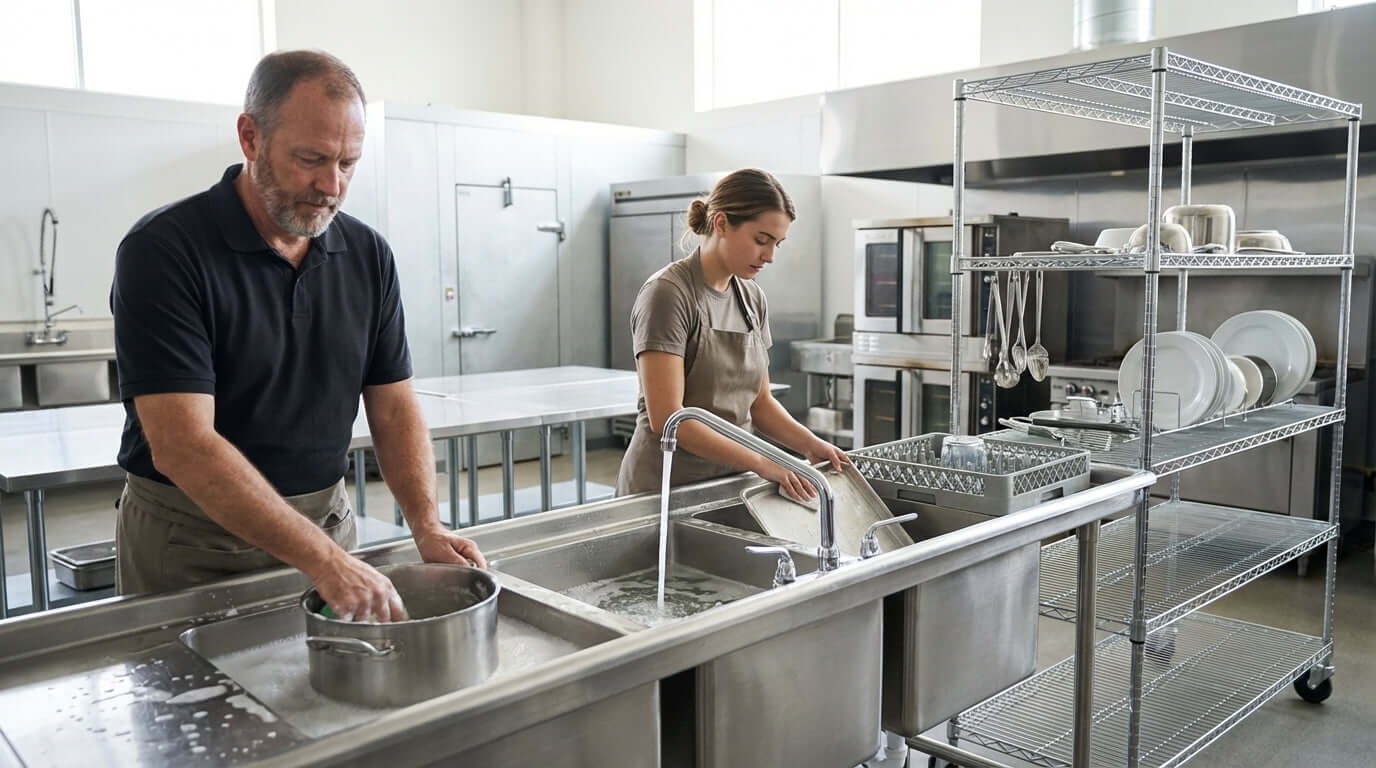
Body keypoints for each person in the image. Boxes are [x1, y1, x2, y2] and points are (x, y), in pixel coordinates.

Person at [110, 50, 484, 622]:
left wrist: (426, 527)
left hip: (326, 525)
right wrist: (326, 561)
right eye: (310, 158)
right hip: (194, 544)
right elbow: (183, 445)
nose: (330, 185)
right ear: (250, 137)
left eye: (348, 163)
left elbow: (393, 407)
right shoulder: (164, 251)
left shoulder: (366, 254)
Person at [616, 169, 848, 498]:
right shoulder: (668, 294)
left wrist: (813, 446)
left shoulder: (752, 298)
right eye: (761, 240)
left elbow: (761, 403)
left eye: (777, 244)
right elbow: (670, 418)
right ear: (722, 223)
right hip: (665, 488)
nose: (770, 256)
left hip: (731, 483)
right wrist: (764, 462)